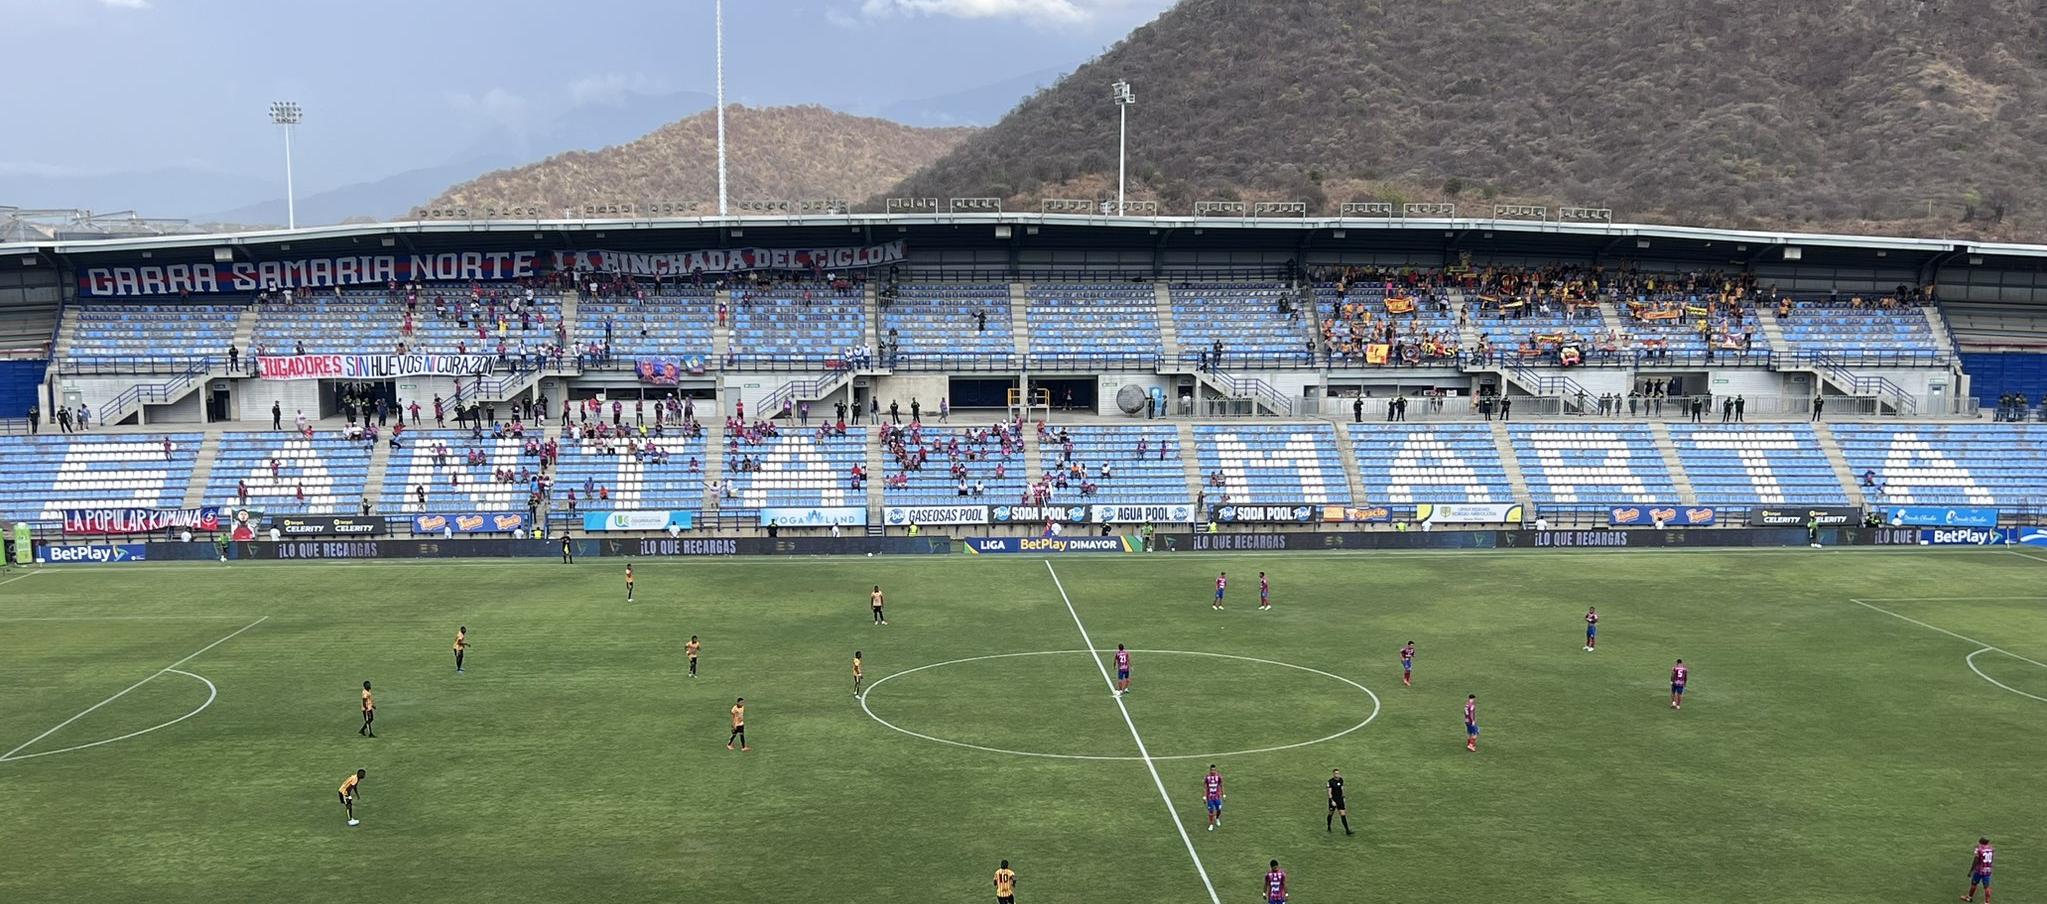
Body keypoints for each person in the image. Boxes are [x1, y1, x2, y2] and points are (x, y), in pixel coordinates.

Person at [1963, 837, 1995, 903]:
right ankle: (1987, 902)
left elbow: (1976, 860)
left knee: (1974, 884)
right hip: (1988, 870)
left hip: (1979, 870)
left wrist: (1971, 871)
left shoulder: (1979, 849)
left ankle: (1969, 898)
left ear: (1981, 841)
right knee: (1987, 887)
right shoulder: (1991, 848)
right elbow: (1992, 858)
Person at [1327, 768, 1352, 835]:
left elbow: (1342, 789)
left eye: (1338, 773)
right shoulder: (1330, 781)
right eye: (1335, 773)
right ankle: (1329, 827)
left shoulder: (1341, 780)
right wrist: (1332, 801)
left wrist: (1343, 797)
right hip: (1333, 800)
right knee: (1330, 813)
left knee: (1343, 814)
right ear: (1333, 774)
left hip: (1340, 799)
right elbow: (1329, 792)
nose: (1337, 774)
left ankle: (1347, 830)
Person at [1203, 765, 1225, 830]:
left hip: (1217, 797)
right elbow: (1205, 787)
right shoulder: (1207, 777)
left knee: (1219, 809)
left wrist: (1223, 794)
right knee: (1211, 811)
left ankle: (1217, 818)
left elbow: (1221, 785)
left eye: (1214, 770)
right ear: (1210, 770)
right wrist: (1204, 796)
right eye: (1212, 770)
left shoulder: (1219, 777)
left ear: (1215, 770)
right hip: (1210, 797)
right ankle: (1211, 824)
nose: (1213, 771)